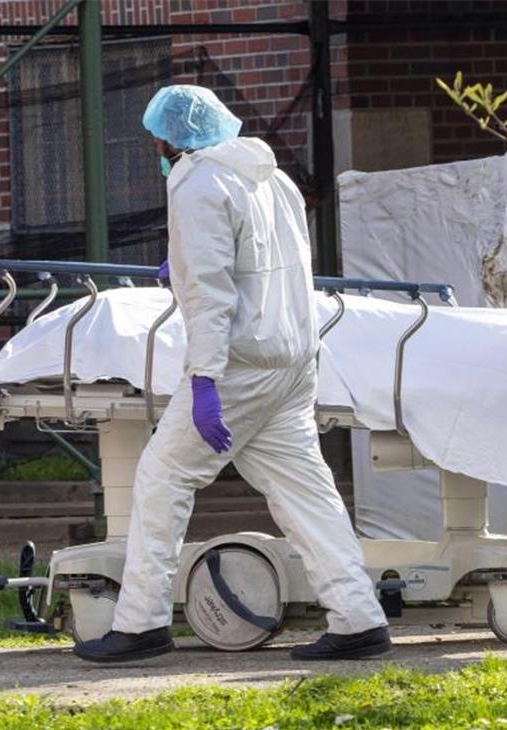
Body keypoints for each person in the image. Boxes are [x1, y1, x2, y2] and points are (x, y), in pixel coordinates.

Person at [73, 85, 391, 663]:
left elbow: (210, 294)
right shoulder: (273, 177)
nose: (159, 153)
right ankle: (358, 617)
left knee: (162, 477)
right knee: (306, 492)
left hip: (239, 368)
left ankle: (141, 622)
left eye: (159, 142)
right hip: (293, 358)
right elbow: (271, 267)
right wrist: (190, 260)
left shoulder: (198, 184)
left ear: (174, 139)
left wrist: (202, 379)